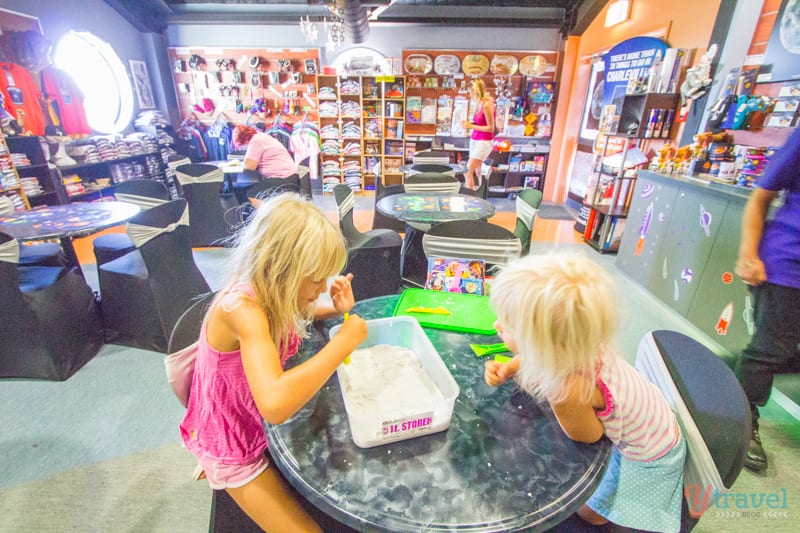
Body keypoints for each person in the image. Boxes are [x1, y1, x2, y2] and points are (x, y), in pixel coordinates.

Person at [179, 193, 368, 531]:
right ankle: (213, 464)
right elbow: (275, 404)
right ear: (280, 269)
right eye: (315, 278)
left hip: (257, 424)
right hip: (236, 444)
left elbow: (298, 309)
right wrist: (341, 344)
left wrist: (334, 309)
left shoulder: (271, 294)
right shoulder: (242, 311)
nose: (323, 287)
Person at [484, 253, 686, 532]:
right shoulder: (579, 341)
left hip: (649, 455)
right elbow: (538, 356)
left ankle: (604, 514)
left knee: (590, 513)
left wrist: (566, 407)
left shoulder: (567, 388)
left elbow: (588, 436)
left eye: (507, 326)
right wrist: (510, 368)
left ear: (543, 345)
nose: (497, 326)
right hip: (658, 417)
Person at [734, 126, 800, 472]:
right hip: (788, 264)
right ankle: (743, 423)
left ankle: (730, 371)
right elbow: (761, 197)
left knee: (782, 350)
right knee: (769, 350)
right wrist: (749, 253)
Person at [461, 79, 495, 189]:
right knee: (478, 171)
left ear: (475, 91)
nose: (469, 94)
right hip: (475, 140)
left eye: (470, 91)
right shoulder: (478, 104)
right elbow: (480, 123)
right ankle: (481, 195)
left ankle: (469, 198)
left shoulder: (487, 105)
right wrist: (469, 124)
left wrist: (471, 126)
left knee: (467, 171)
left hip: (484, 141)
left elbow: (490, 128)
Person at [232, 124, 298, 179]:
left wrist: (237, 162)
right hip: (288, 175)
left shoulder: (256, 140)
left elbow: (249, 165)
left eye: (243, 144)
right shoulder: (261, 136)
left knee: (250, 192)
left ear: (245, 139)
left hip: (283, 177)